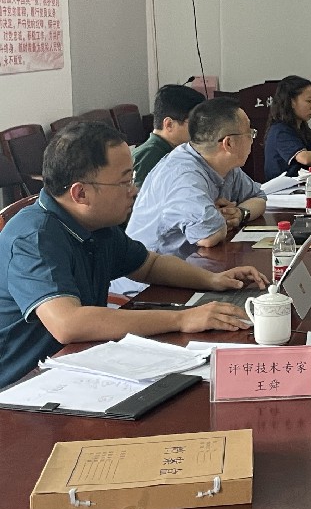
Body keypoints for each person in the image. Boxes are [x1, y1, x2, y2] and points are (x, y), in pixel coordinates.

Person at [0, 122, 267, 388]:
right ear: (80, 193)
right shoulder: (34, 238)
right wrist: (183, 319)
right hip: (21, 384)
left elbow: (149, 265)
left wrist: (212, 280)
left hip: (76, 363)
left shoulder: (96, 224)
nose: (134, 190)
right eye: (124, 181)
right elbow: (68, 323)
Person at [127, 97, 267, 257]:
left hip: (194, 261)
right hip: (151, 269)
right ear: (228, 143)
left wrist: (239, 214)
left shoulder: (225, 165)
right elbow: (208, 236)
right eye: (249, 133)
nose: (252, 138)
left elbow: (259, 198)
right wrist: (216, 218)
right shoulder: (183, 174)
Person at [132, 84, 206, 188]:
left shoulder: (172, 150)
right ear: (169, 124)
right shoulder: (150, 157)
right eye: (194, 123)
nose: (200, 129)